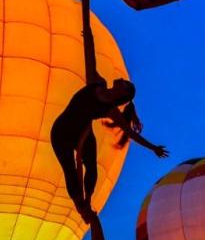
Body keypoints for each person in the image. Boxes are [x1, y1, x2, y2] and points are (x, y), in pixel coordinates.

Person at [51, 78, 168, 223]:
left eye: (126, 83)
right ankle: (80, 206)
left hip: (82, 133)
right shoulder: (99, 82)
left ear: (123, 93)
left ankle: (87, 201)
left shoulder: (111, 110)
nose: (123, 79)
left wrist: (153, 148)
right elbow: (90, 57)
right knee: (70, 170)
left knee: (92, 167)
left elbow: (130, 133)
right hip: (61, 131)